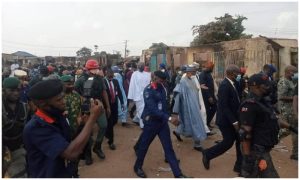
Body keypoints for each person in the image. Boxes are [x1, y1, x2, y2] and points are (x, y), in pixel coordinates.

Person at [23, 79, 104, 178]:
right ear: (43, 105)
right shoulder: (36, 128)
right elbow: (71, 153)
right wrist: (92, 119)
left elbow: (69, 141)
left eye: (63, 97)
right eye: (59, 100)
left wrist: (83, 124)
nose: (64, 102)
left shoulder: (57, 115)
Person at [239, 73, 298, 178]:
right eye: (265, 85)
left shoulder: (264, 102)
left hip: (264, 148)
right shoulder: (250, 105)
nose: (268, 87)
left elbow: (274, 119)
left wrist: (292, 128)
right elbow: (245, 133)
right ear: (255, 86)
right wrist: (247, 158)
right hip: (256, 151)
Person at [133, 71, 189, 178]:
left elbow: (165, 105)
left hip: (162, 124)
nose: (163, 82)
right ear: (155, 77)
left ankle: (178, 174)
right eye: (161, 80)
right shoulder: (148, 90)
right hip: (151, 122)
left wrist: (170, 115)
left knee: (168, 148)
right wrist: (169, 118)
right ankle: (137, 167)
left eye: (164, 81)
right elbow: (153, 109)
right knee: (144, 147)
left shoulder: (163, 87)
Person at [202, 64, 242, 174]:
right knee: (228, 142)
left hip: (233, 118)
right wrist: (234, 122)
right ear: (232, 73)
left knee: (239, 140)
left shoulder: (233, 84)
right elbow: (224, 106)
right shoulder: (225, 85)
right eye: (237, 73)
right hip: (226, 121)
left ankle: (239, 166)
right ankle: (208, 154)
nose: (239, 75)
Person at [75, 59, 110, 162]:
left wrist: (107, 106)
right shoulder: (81, 80)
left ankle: (97, 147)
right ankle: (87, 154)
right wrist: (83, 102)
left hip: (98, 106)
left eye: (96, 68)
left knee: (103, 126)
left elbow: (104, 92)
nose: (95, 70)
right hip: (86, 108)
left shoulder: (100, 79)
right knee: (88, 132)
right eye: (93, 69)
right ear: (87, 69)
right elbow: (75, 93)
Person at [172, 66, 207, 151]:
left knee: (188, 122)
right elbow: (178, 94)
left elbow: (195, 92)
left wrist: (198, 103)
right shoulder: (183, 81)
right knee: (195, 123)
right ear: (189, 72)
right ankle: (197, 144)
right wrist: (176, 110)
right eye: (194, 71)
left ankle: (177, 132)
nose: (195, 73)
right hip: (187, 107)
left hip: (194, 105)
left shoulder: (192, 80)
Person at [2, 77, 28, 178]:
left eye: (18, 90)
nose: (16, 93)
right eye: (12, 90)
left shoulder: (24, 107)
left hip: (17, 150)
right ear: (4, 90)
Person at [60, 75, 82, 177]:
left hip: (75, 129)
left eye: (72, 84)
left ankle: (75, 173)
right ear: (62, 85)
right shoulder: (59, 98)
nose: (71, 86)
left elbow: (79, 109)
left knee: (76, 154)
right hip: (63, 131)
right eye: (68, 84)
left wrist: (79, 118)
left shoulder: (76, 95)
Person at [277, 65, 298, 160]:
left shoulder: (291, 81)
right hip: (286, 110)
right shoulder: (283, 82)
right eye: (294, 72)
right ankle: (271, 139)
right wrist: (295, 98)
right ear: (288, 72)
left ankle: (296, 153)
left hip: (292, 110)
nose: (296, 74)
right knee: (288, 130)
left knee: (294, 130)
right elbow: (281, 97)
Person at [103, 68, 125, 150]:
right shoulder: (103, 81)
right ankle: (111, 142)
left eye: (112, 76)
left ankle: (106, 131)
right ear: (106, 74)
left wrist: (122, 103)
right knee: (110, 122)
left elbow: (119, 92)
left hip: (114, 104)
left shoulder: (115, 81)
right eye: (109, 77)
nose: (111, 78)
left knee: (115, 120)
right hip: (106, 106)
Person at [127, 62, 151, 128]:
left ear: (144, 67)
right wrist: (131, 96)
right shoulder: (134, 74)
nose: (141, 67)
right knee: (140, 110)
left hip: (146, 94)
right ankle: (142, 125)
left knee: (143, 109)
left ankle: (136, 119)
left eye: (142, 66)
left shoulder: (147, 74)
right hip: (138, 95)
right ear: (137, 66)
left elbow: (150, 84)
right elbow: (132, 85)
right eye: (139, 66)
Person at [199, 61, 217, 129]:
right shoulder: (203, 74)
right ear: (208, 67)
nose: (212, 68)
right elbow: (204, 87)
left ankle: (207, 123)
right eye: (212, 67)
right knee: (207, 111)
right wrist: (209, 97)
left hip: (211, 95)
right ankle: (205, 125)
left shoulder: (209, 74)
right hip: (206, 97)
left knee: (214, 108)